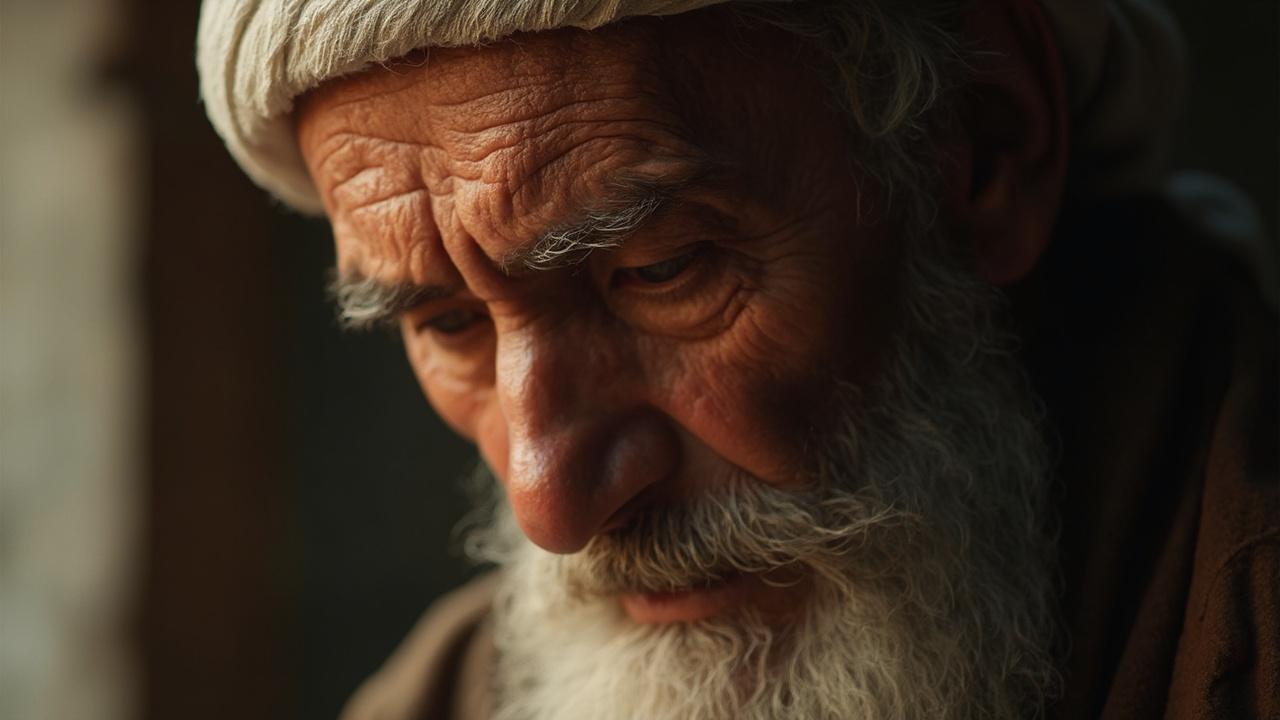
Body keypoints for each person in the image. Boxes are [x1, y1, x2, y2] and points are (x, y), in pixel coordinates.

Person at [197, 1, 1277, 718]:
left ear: (979, 154)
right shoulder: (453, 696)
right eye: (444, 323)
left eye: (660, 271)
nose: (548, 500)